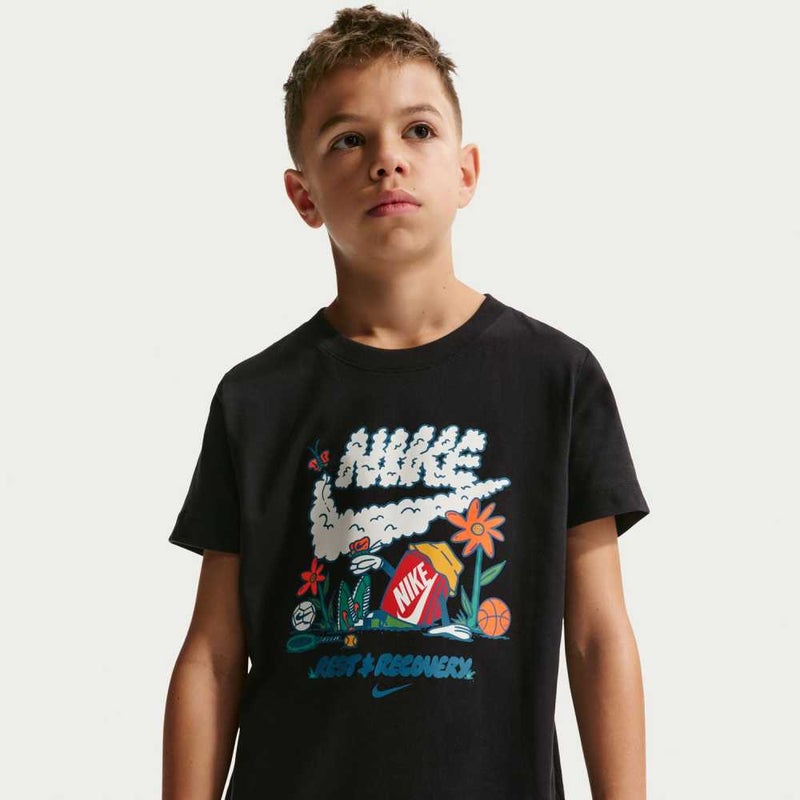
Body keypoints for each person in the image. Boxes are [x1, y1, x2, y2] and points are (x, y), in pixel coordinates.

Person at [162, 5, 651, 799]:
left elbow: (597, 637)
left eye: (418, 130)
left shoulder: (557, 379)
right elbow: (214, 656)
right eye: (347, 140)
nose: (387, 159)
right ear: (302, 195)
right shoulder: (256, 399)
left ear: (466, 171)